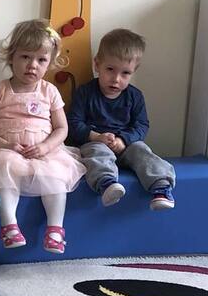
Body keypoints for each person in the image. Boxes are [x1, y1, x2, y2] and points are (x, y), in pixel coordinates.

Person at [0, 19, 85, 254]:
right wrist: (6, 145)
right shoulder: (0, 90)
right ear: (11, 57)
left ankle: (55, 230)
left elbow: (62, 129)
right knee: (5, 172)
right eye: (25, 57)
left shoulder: (49, 91)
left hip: (44, 152)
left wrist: (46, 147)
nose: (32, 65)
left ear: (50, 63)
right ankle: (9, 227)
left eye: (41, 60)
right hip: (9, 150)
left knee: (56, 178)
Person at [66, 28, 175, 210]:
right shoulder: (85, 93)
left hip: (126, 146)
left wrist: (124, 140)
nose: (116, 79)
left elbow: (141, 125)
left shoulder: (135, 96)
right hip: (95, 142)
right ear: (97, 65)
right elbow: (73, 123)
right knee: (97, 153)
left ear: (133, 72)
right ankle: (107, 184)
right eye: (110, 69)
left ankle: (161, 187)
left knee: (143, 151)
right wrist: (96, 136)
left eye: (125, 73)